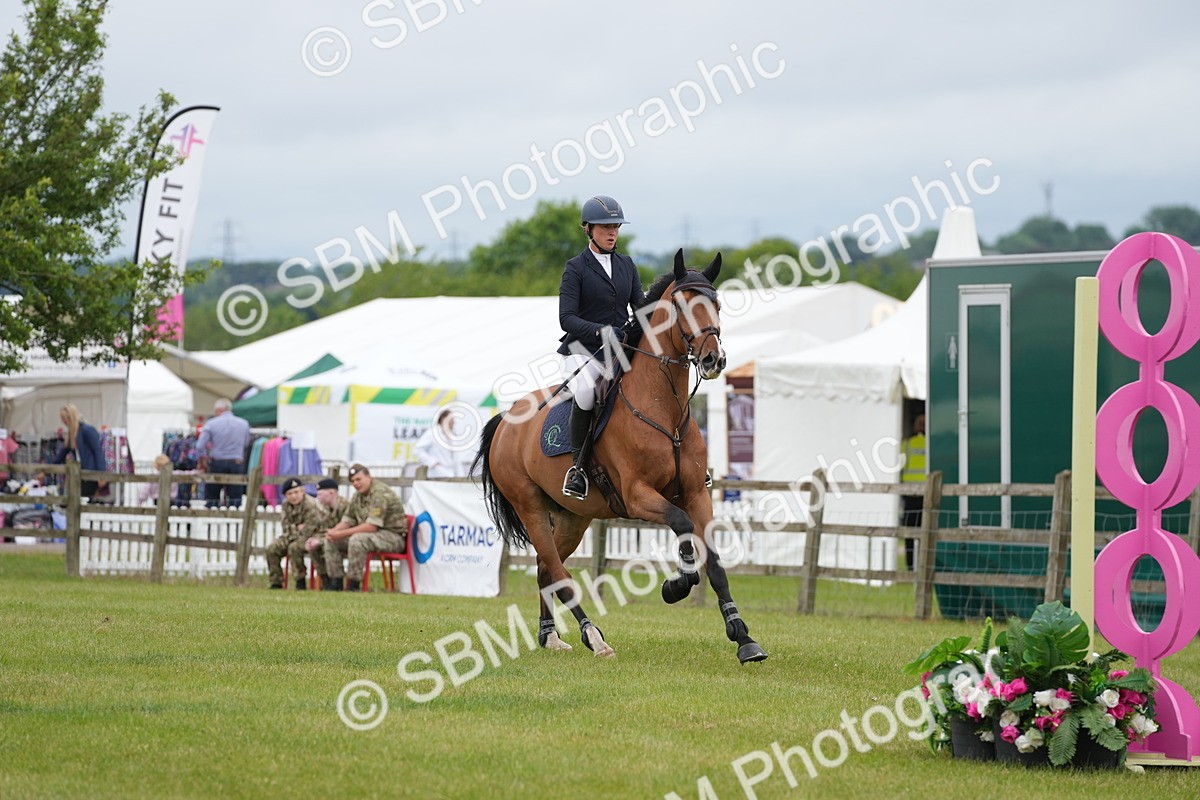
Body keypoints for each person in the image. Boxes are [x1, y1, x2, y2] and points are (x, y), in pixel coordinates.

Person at [557, 195, 646, 499]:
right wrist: (601, 331)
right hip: (583, 350)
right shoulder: (575, 268)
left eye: (616, 227)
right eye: (606, 227)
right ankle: (578, 469)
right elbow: (566, 318)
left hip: (618, 350)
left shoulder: (627, 265)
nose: (612, 232)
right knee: (585, 391)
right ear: (588, 229)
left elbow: (640, 307)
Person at [323, 464, 408, 592]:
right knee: (330, 540)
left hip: (393, 537)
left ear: (369, 477)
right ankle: (335, 583)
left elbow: (371, 526)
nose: (356, 484)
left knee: (357, 539)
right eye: (353, 481)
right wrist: (334, 531)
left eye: (359, 479)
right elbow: (348, 519)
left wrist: (342, 533)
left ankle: (353, 585)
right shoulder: (358, 495)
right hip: (373, 536)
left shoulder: (379, 493)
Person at [264, 477, 326, 590]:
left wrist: (297, 528)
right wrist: (298, 528)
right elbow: (285, 527)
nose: (293, 496)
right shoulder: (285, 505)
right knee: (272, 548)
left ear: (302, 491)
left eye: (296, 492)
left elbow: (309, 530)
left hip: (313, 536)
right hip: (291, 536)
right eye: (290, 493)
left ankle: (300, 581)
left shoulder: (311, 504)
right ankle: (276, 582)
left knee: (294, 547)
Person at [196, 398, 251, 508]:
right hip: (236, 462)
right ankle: (234, 517)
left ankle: (212, 516)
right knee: (235, 498)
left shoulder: (211, 424)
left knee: (212, 497)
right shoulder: (244, 424)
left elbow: (199, 446)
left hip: (217, 462)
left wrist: (202, 461)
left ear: (219, 410)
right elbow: (246, 443)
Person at [53, 404, 107, 501]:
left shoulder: (87, 430)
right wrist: (49, 467)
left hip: (90, 474)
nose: (62, 421)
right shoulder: (72, 434)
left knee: (83, 499)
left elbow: (97, 451)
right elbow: (62, 453)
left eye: (63, 418)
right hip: (80, 474)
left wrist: (101, 474)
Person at [305, 477, 349, 591]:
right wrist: (314, 540)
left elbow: (347, 529)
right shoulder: (325, 509)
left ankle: (336, 581)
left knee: (329, 543)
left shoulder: (345, 506)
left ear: (331, 493)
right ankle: (326, 580)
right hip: (333, 538)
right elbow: (323, 530)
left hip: (347, 540)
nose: (318, 497)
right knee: (313, 546)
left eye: (320, 494)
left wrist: (321, 540)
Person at [900, 413, 927, 571]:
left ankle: (911, 566)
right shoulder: (932, 444)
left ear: (915, 426)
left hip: (910, 495)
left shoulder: (906, 444)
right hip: (926, 496)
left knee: (909, 534)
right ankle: (923, 565)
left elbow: (898, 467)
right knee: (926, 532)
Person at [413, 408, 467, 477]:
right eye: (451, 419)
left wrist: (461, 476)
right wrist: (433, 463)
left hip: (451, 474)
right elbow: (417, 450)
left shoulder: (452, 436)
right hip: (435, 474)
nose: (454, 422)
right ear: (443, 420)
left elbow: (456, 459)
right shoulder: (432, 433)